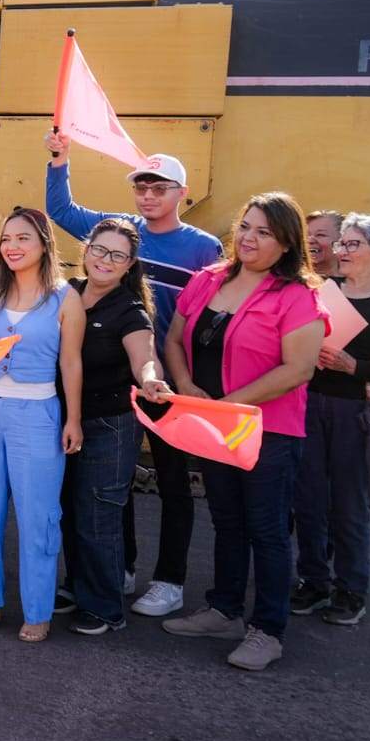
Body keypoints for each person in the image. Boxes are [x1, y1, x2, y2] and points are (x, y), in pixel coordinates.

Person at [46, 133, 224, 618]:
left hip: (166, 383)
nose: (149, 196)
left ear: (180, 193)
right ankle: (118, 568)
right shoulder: (118, 232)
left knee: (172, 482)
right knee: (111, 483)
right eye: (142, 187)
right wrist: (60, 159)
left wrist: (182, 378)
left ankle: (170, 579)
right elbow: (60, 209)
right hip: (113, 382)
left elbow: (211, 318)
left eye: (159, 188)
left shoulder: (204, 248)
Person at [159, 192, 326, 671]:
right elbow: (174, 339)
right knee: (227, 520)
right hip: (213, 424)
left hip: (267, 431)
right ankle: (224, 610)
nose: (249, 238)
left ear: (287, 243)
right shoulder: (209, 279)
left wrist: (230, 405)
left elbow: (299, 369)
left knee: (267, 530)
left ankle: (267, 629)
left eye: (264, 232)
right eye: (246, 227)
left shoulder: (298, 295)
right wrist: (188, 386)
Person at [0, 208, 84, 643]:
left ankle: (37, 610)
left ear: (44, 244)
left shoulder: (65, 298)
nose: (12, 246)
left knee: (39, 518)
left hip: (38, 415)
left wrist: (73, 419)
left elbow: (71, 361)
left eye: (23, 238)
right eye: (7, 238)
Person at [60, 220, 161, 635]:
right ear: (86, 249)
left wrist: (151, 378)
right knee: (66, 508)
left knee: (98, 513)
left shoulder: (129, 310)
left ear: (130, 264)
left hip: (108, 423)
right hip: (61, 417)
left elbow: (144, 357)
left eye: (117, 255)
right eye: (100, 250)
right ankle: (79, 585)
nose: (105, 261)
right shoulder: (66, 291)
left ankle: (104, 607)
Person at [291, 213, 370, 626]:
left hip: (354, 412)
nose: (342, 252)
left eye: (352, 244)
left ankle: (351, 589)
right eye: (342, 244)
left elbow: (359, 365)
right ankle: (313, 580)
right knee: (308, 499)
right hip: (310, 401)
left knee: (349, 503)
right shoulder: (327, 290)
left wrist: (354, 366)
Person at [306, 210, 344, 281]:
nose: (310, 240)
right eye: (305, 235)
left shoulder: (358, 286)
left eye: (320, 235)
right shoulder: (289, 282)